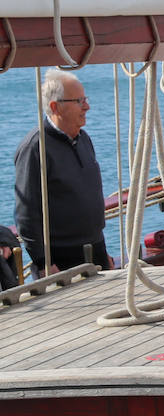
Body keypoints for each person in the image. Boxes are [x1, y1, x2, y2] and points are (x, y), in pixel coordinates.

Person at [13, 68, 111, 274]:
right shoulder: (35, 147)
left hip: (96, 248)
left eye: (85, 99)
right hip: (61, 258)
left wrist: (102, 251)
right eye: (79, 101)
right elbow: (26, 213)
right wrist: (43, 262)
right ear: (55, 107)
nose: (87, 106)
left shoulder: (83, 139)